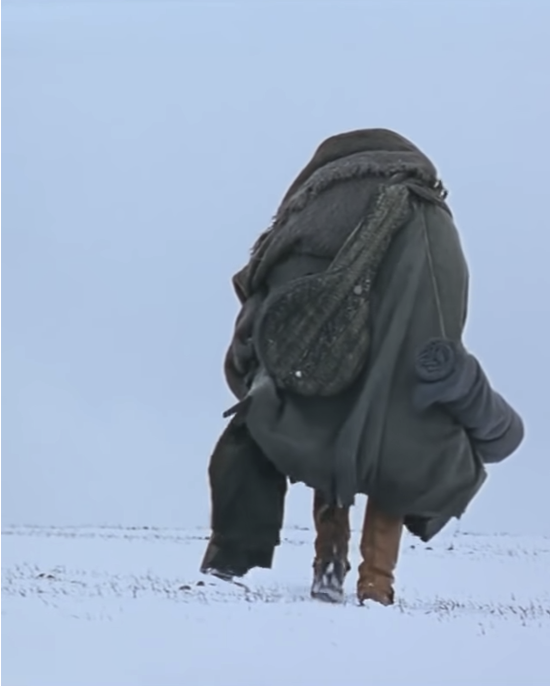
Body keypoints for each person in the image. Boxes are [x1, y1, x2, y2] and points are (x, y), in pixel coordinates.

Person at [200, 128, 525, 606]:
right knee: (394, 458)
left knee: (330, 450)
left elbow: (264, 290)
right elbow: (443, 293)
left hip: (316, 360)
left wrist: (250, 364)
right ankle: (377, 581)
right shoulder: (424, 210)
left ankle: (327, 562)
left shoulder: (308, 213)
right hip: (398, 364)